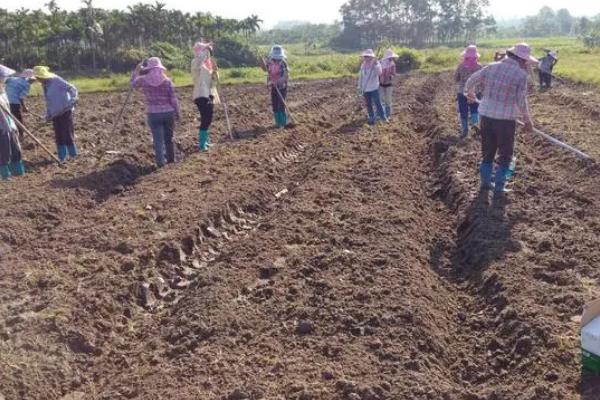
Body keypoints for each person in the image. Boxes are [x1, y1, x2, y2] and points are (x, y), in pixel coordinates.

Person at [464, 43, 536, 195]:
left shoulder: (491, 66)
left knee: (487, 151)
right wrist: (527, 120)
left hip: (486, 115)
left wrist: (469, 92)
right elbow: (521, 100)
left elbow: (471, 79)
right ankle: (498, 187)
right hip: (505, 120)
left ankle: (485, 184)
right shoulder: (521, 75)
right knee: (505, 153)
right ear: (522, 60)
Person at [131, 57, 180, 168]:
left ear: (149, 69)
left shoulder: (143, 80)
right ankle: (171, 161)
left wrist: (136, 71)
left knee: (158, 140)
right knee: (169, 138)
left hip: (153, 113)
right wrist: (177, 112)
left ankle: (161, 164)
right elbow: (173, 99)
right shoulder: (167, 81)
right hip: (168, 113)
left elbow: (132, 84)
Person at [33, 66, 78, 163]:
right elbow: (49, 101)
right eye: (38, 78)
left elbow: (71, 88)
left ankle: (73, 155)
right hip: (55, 114)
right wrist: (48, 114)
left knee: (67, 133)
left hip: (65, 111)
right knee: (58, 135)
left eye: (40, 78)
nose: (39, 80)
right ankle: (62, 156)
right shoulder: (45, 85)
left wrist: (73, 99)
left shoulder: (56, 80)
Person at [191, 41, 218, 152]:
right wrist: (206, 51)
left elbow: (212, 83)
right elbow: (200, 60)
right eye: (205, 50)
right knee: (206, 118)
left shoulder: (207, 65)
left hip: (208, 94)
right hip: (200, 94)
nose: (207, 53)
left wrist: (215, 74)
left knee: (209, 118)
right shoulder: (195, 62)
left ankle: (205, 141)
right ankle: (202, 145)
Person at [0, 64, 25, 180]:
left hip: (10, 124)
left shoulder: (3, 92)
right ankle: (5, 174)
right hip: (1, 127)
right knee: (4, 151)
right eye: (3, 77)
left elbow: (8, 109)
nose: (5, 80)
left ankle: (18, 171)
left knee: (16, 148)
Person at [454, 45, 483, 137]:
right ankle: (475, 128)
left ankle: (465, 130)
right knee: (475, 110)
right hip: (476, 91)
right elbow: (483, 80)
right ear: (476, 56)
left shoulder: (461, 66)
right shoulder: (479, 67)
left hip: (463, 92)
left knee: (463, 110)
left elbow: (456, 78)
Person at [262, 45, 289, 129]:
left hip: (281, 87)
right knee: (274, 104)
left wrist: (277, 82)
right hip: (273, 86)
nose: (277, 59)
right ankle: (277, 123)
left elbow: (285, 76)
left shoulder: (283, 63)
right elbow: (265, 69)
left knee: (281, 104)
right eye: (275, 57)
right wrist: (261, 62)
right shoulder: (270, 62)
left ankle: (283, 123)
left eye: (278, 57)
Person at [6, 69, 36, 140]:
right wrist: (24, 107)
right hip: (14, 103)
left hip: (5, 101)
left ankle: (10, 134)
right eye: (32, 80)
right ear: (29, 78)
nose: (33, 81)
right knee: (18, 119)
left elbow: (5, 81)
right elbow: (21, 98)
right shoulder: (26, 85)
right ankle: (21, 135)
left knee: (7, 118)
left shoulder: (12, 79)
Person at [358, 49, 387, 125]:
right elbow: (361, 77)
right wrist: (359, 86)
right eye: (365, 56)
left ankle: (383, 117)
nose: (366, 58)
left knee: (378, 103)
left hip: (374, 88)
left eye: (367, 56)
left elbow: (379, 73)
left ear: (371, 57)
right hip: (365, 89)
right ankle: (371, 116)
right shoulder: (363, 65)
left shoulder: (376, 64)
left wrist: (375, 65)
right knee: (368, 104)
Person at [379, 49, 398, 118]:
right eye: (390, 57)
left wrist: (390, 75)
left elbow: (394, 73)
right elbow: (377, 72)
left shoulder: (392, 64)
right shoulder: (380, 62)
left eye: (391, 57)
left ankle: (388, 114)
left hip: (389, 83)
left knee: (388, 100)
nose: (391, 58)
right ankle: (381, 114)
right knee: (380, 99)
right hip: (380, 84)